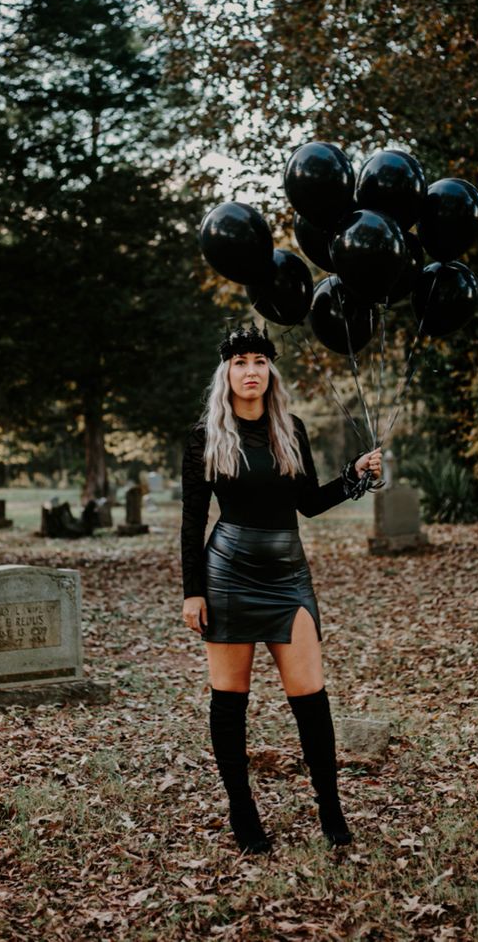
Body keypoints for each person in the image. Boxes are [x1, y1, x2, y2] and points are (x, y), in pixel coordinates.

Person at [181, 323, 383, 854]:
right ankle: (242, 812)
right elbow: (192, 521)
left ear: (271, 370)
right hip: (227, 573)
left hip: (288, 575)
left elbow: (309, 504)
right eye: (240, 361)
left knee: (311, 697)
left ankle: (331, 808)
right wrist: (192, 591)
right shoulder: (206, 436)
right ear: (226, 371)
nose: (251, 370)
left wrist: (354, 475)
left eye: (259, 361)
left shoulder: (289, 428)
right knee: (230, 699)